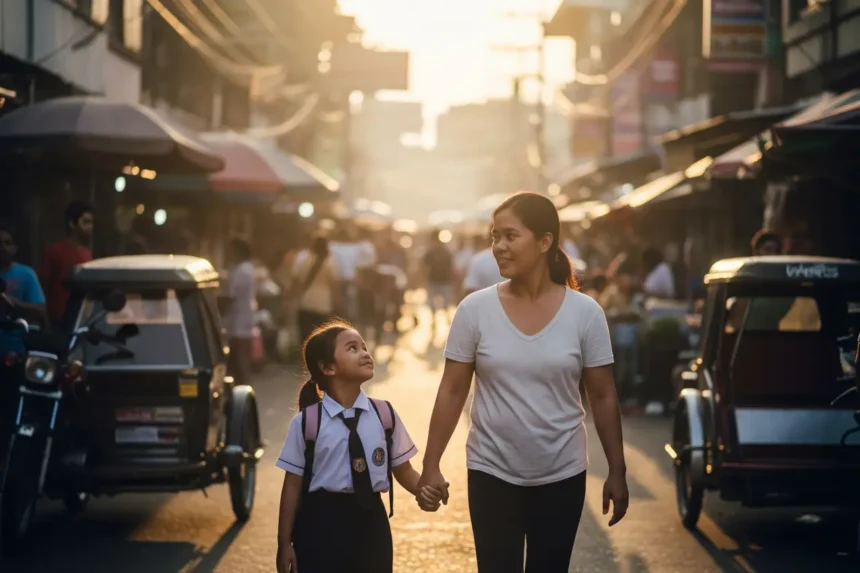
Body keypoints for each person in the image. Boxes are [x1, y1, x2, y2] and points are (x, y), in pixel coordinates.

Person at [418, 192, 629, 573]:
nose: (498, 247)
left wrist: (617, 470)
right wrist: (430, 464)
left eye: (510, 236)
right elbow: (451, 390)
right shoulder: (474, 310)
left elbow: (602, 394)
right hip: (491, 470)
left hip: (562, 472)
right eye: (495, 236)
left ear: (545, 241)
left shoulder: (585, 313)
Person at [275, 320, 446, 573]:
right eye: (353, 348)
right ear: (328, 367)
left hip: (372, 525)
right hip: (320, 526)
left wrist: (424, 490)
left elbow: (404, 470)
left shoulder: (384, 413)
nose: (365, 353)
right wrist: (284, 543)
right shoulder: (308, 422)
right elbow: (292, 486)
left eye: (364, 347)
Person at [39, 201, 93, 327]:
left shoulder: (87, 253)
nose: (90, 227)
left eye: (91, 223)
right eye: (86, 222)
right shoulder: (54, 252)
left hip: (82, 319)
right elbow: (43, 288)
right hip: (58, 321)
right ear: (72, 224)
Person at [0, 223, 47, 354]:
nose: (2, 247)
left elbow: (41, 311)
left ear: (15, 248)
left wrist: (17, 304)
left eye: (7, 243)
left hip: (19, 344)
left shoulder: (26, 274)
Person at [292, 235, 342, 343]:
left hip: (305, 303)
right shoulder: (330, 263)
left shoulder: (306, 260)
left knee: (305, 338)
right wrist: (337, 303)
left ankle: (305, 358)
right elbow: (334, 286)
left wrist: (291, 299)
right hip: (322, 306)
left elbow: (296, 281)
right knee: (321, 339)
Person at [225, 238, 256, 386]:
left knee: (240, 356)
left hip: (240, 318)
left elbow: (232, 296)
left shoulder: (242, 270)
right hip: (242, 317)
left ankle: (243, 385)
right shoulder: (245, 269)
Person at [423, 230, 455, 326]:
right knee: (439, 304)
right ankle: (440, 322)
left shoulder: (437, 252)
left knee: (443, 304)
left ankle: (443, 322)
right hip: (437, 281)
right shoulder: (444, 252)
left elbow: (424, 268)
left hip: (441, 281)